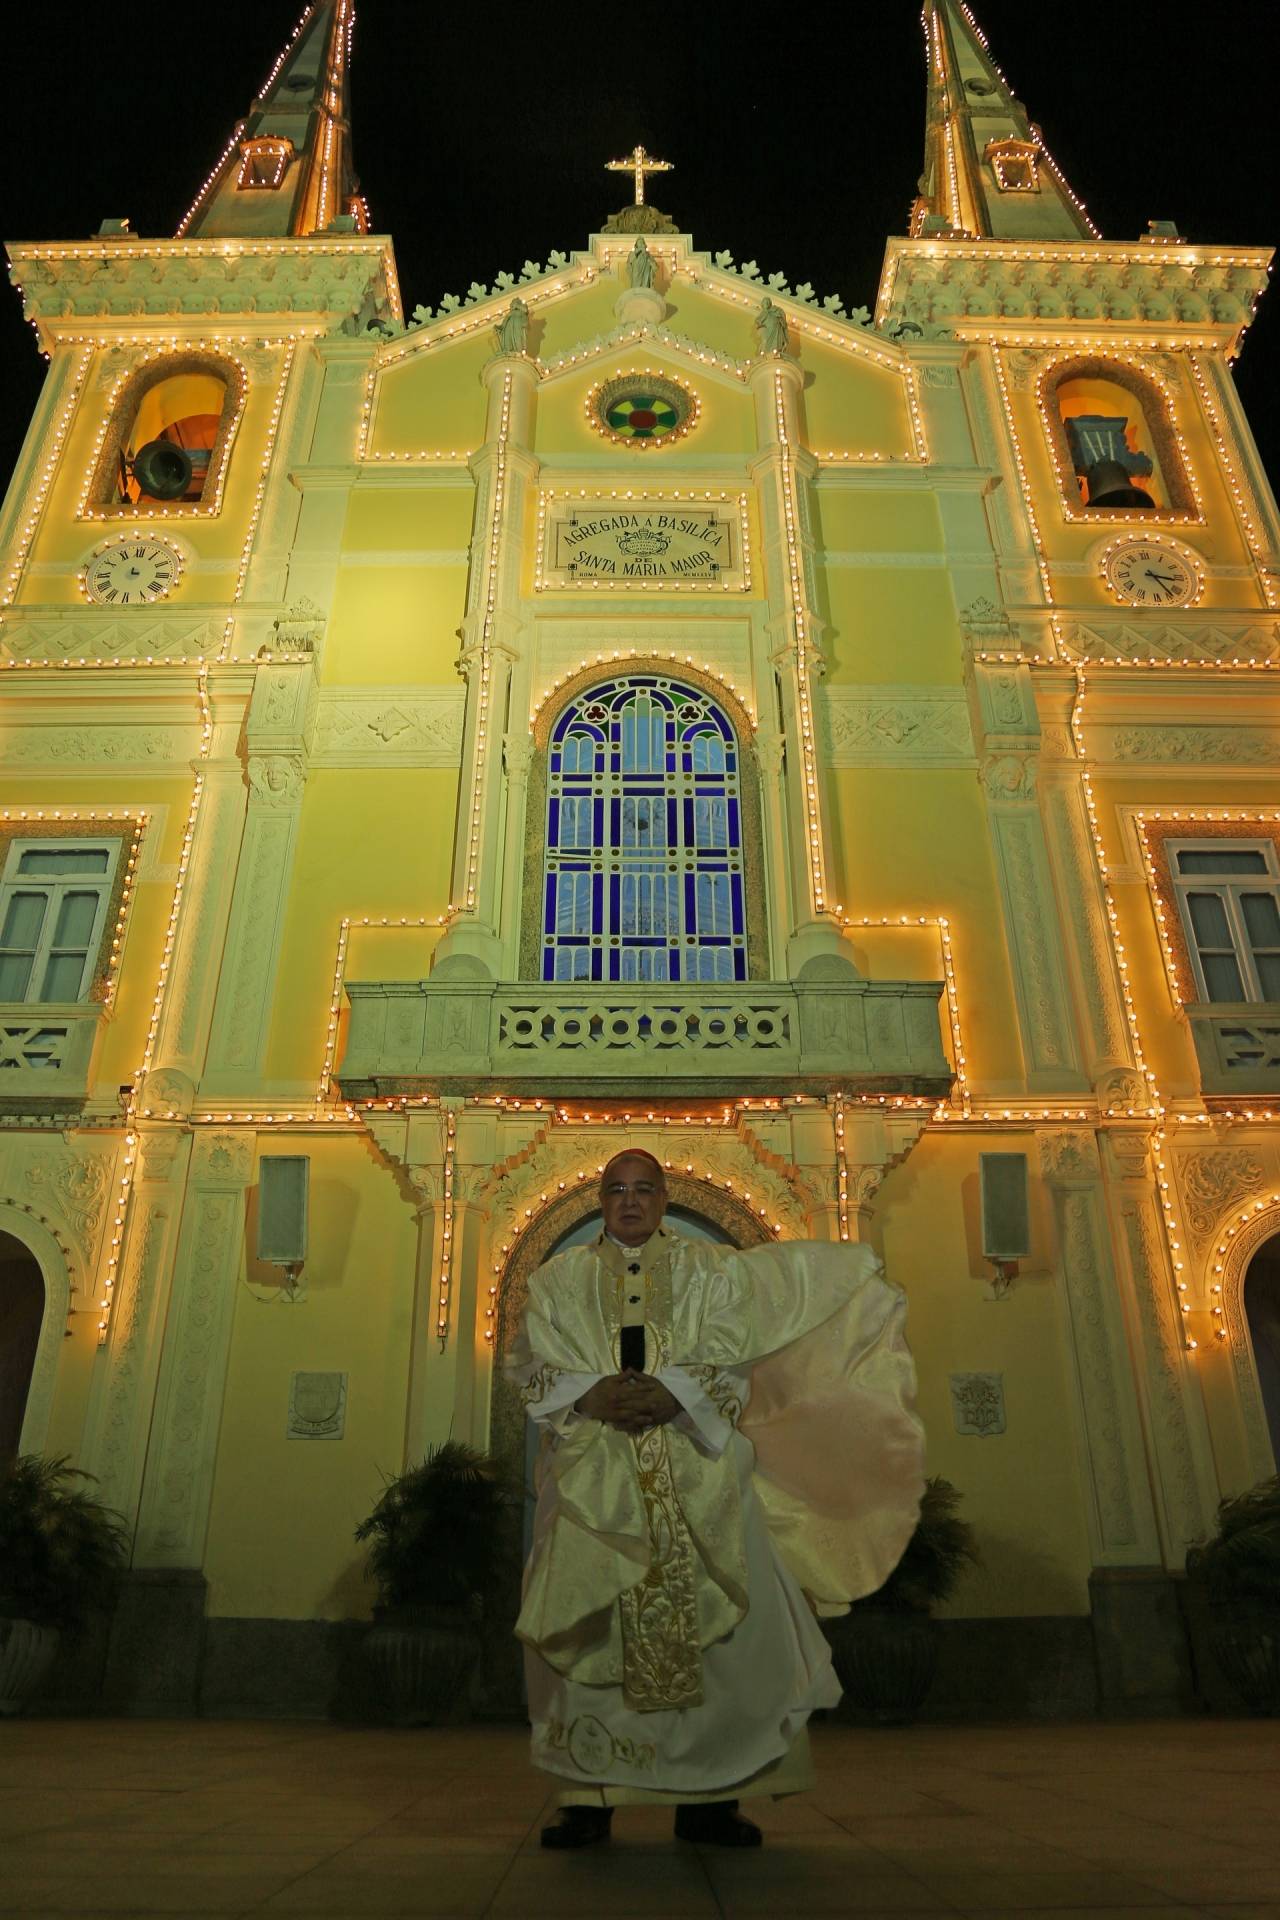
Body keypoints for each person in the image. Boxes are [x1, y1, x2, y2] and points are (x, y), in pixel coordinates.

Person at [508, 1148, 924, 1850]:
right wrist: (591, 1393)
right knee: (591, 1624)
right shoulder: (558, 1281)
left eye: (644, 1190)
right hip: (595, 1479)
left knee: (727, 1639)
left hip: (695, 1468)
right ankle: (591, 1797)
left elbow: (740, 1356)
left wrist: (678, 1393)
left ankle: (711, 1801)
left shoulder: (710, 1270)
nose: (630, 1202)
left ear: (664, 1199)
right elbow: (531, 1362)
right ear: (599, 1203)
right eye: (616, 1191)